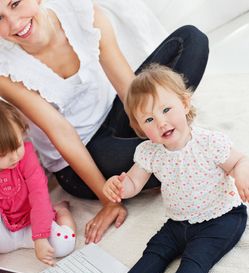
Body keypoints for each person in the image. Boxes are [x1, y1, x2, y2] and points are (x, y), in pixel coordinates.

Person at [0, 0, 209, 244]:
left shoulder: (81, 14)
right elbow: (60, 131)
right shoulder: (5, 69)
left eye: (15, 4)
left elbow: (128, 90)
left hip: (114, 113)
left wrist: (150, 124)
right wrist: (107, 198)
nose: (13, 23)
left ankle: (171, 141)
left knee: (190, 40)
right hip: (82, 156)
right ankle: (178, 145)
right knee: (169, 155)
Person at [81, 64, 249, 273]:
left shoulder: (208, 142)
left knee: (197, 258)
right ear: (140, 127)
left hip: (221, 217)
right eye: (148, 119)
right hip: (178, 221)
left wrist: (241, 177)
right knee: (155, 250)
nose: (160, 122)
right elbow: (134, 184)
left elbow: (238, 161)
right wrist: (117, 186)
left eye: (166, 110)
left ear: (185, 103)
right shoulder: (150, 152)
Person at [0, 100, 76, 266]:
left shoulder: (26, 156)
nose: (14, 157)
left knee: (64, 245)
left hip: (32, 220)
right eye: (3, 155)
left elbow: (39, 194)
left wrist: (40, 237)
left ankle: (61, 211)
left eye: (17, 145)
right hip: (5, 227)